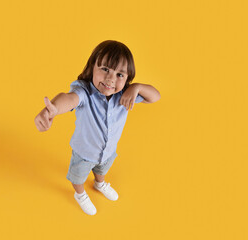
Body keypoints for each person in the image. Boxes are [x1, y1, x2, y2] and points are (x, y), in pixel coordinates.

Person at [34, 40, 160, 215]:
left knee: (101, 170)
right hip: (84, 153)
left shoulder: (125, 95)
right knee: (78, 177)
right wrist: (53, 109)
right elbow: (69, 98)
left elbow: (155, 96)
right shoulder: (84, 92)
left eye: (119, 75)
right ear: (93, 65)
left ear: (127, 79)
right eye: (105, 69)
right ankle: (80, 194)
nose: (110, 79)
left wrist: (137, 88)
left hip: (108, 151)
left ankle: (99, 183)